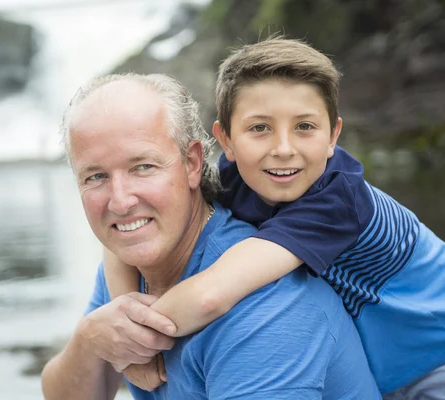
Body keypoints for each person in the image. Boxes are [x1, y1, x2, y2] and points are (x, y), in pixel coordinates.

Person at [103, 37, 445, 397]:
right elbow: (127, 229)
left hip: (435, 360)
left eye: (304, 127)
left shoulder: (339, 199)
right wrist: (121, 309)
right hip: (383, 369)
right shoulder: (235, 177)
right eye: (260, 128)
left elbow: (210, 295)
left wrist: (127, 347)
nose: (283, 150)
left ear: (333, 135)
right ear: (227, 140)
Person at [40, 72, 381, 399]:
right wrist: (88, 340)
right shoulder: (131, 264)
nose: (121, 201)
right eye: (95, 176)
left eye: (143, 167)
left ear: (192, 164)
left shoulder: (266, 309)